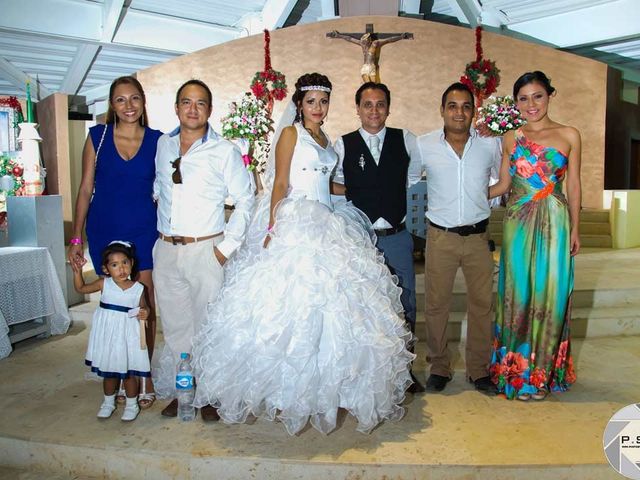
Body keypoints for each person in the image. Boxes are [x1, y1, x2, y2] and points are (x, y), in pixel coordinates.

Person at [191, 73, 414, 436]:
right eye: (311, 101)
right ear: (299, 104)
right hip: (297, 223)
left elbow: (330, 184)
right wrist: (272, 227)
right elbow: (280, 182)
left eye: (323, 102)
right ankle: (286, 391)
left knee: (338, 311)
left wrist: (368, 188)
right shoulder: (291, 134)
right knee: (294, 309)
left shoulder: (326, 139)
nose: (318, 108)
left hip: (330, 223)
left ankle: (330, 388)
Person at [152, 79, 254, 421]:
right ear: (177, 107)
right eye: (186, 102)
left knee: (208, 327)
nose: (192, 109)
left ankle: (211, 395)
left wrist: (226, 248)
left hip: (206, 250)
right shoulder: (163, 146)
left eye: (200, 103)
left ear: (209, 110)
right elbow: (159, 186)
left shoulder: (223, 150)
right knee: (178, 329)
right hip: (166, 250)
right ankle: (185, 392)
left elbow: (246, 198)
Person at [68, 76, 162, 409]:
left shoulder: (157, 140)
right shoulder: (97, 136)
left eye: (134, 98)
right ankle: (120, 375)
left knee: (142, 308)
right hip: (105, 229)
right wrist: (76, 237)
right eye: (120, 100)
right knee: (114, 309)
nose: (128, 106)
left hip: (143, 229)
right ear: (112, 104)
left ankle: (144, 376)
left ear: (143, 101)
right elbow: (83, 190)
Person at [488, 71, 580, 400]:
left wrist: (575, 228)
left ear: (549, 96)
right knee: (518, 293)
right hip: (518, 222)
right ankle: (516, 373)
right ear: (516, 103)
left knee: (551, 295)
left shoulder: (569, 134)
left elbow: (573, 184)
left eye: (537, 96)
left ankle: (541, 374)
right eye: (523, 98)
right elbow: (502, 185)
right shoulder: (511, 138)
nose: (531, 104)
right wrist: (466, 195)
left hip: (555, 222)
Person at [332, 81, 425, 393]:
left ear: (388, 107)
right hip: (360, 238)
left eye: (380, 104)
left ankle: (405, 371)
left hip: (397, 237)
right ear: (357, 108)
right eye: (367, 104)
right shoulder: (343, 144)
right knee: (365, 306)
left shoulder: (407, 140)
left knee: (405, 302)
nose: (374, 110)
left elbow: (412, 180)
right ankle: (367, 374)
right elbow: (335, 185)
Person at [417, 82, 501, 395]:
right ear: (442, 110)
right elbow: (410, 179)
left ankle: (478, 370)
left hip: (479, 238)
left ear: (474, 111)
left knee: (482, 305)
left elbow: (502, 179)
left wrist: (479, 197)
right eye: (452, 106)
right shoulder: (424, 145)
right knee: (437, 306)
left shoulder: (489, 145)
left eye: (466, 106)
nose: (459, 112)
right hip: (440, 238)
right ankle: (439, 367)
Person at [72, 241, 150, 422]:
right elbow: (81, 288)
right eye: (114, 265)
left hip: (128, 336)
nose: (121, 268)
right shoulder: (103, 284)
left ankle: (132, 405)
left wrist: (145, 313)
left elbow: (144, 308)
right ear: (106, 269)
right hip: (108, 335)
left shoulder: (138, 288)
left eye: (125, 263)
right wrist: (77, 272)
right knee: (109, 372)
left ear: (131, 263)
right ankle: (108, 403)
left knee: (129, 372)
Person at [327, 30, 412, 83]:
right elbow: (349, 38)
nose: (365, 42)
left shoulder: (376, 44)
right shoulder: (362, 44)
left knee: (374, 86)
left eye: (366, 40)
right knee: (367, 86)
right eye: (364, 40)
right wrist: (339, 35)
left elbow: (389, 40)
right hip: (365, 67)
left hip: (372, 67)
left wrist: (401, 37)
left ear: (370, 39)